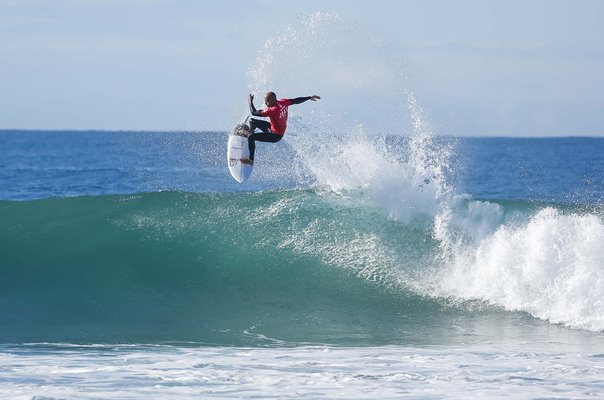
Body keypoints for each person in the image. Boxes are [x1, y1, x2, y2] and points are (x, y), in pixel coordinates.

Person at [241, 91, 320, 164]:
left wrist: (250, 101)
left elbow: (253, 112)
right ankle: (249, 136)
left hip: (275, 136)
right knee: (252, 121)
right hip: (273, 129)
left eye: (266, 101)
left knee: (251, 137)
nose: (265, 103)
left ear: (272, 101)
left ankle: (250, 160)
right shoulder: (283, 102)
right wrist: (309, 97)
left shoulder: (272, 110)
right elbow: (296, 100)